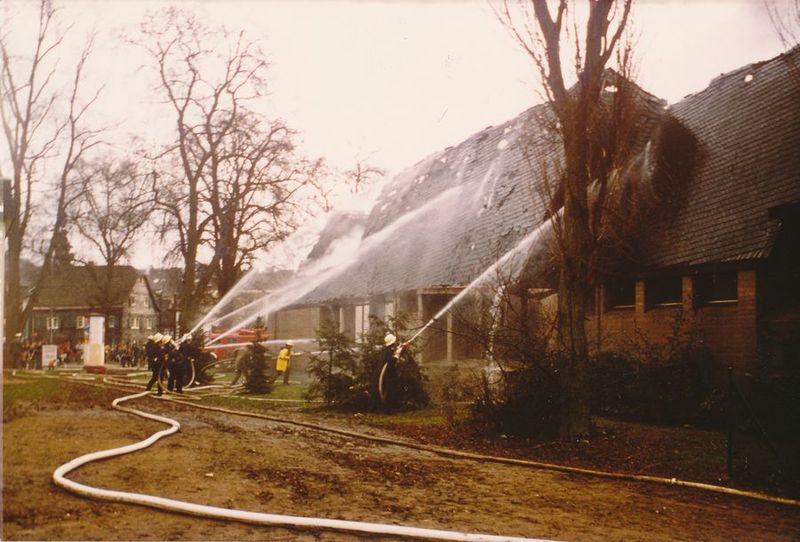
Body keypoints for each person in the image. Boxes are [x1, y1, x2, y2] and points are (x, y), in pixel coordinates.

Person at [379, 333, 403, 412]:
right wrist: (397, 356)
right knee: (390, 390)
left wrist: (400, 349)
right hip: (389, 374)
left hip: (390, 373)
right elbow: (390, 361)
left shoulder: (389, 350)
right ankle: (388, 409)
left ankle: (391, 407)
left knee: (392, 390)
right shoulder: (388, 351)